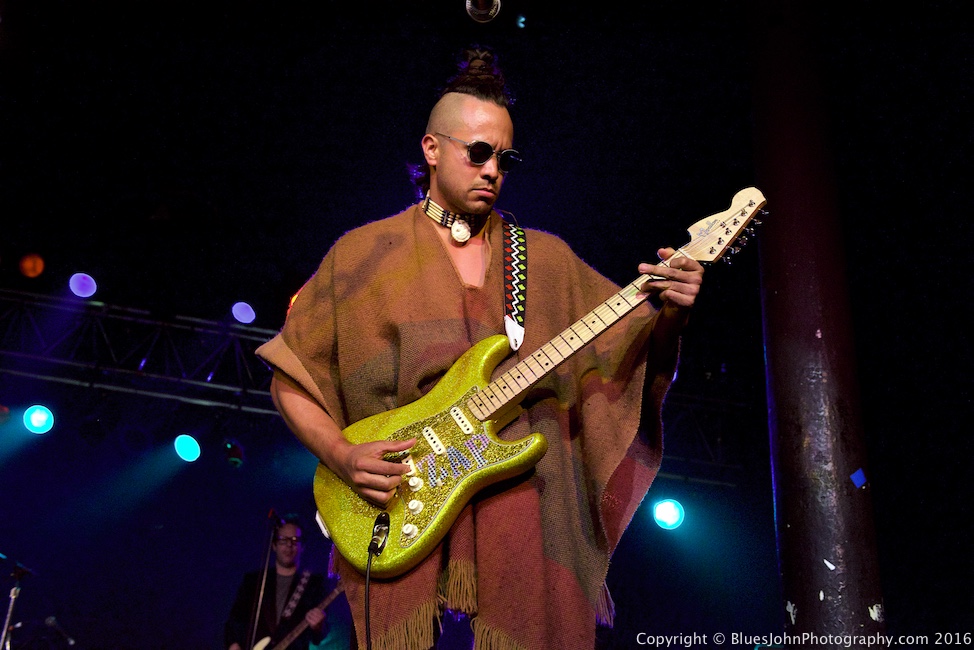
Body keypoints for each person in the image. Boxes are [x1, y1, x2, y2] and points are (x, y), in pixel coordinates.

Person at [255, 46, 704, 649]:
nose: (493, 169)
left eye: (505, 157)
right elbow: (292, 374)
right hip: (402, 492)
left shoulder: (545, 259)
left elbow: (633, 351)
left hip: (524, 499)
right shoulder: (363, 254)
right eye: (478, 152)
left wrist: (671, 313)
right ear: (431, 149)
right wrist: (339, 452)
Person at [224, 515, 352, 650]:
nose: (289, 545)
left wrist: (318, 626)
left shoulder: (314, 584)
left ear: (302, 546)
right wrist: (234, 645)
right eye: (283, 540)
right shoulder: (254, 581)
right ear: (274, 545)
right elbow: (235, 619)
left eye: (295, 540)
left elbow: (319, 636)